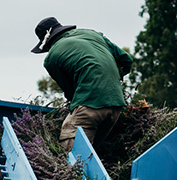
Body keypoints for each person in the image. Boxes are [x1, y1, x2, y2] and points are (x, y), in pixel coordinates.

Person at [31, 17, 132, 153]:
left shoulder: (51, 58)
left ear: (47, 42)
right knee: (90, 153)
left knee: (73, 152)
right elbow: (126, 60)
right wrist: (111, 82)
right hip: (116, 106)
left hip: (90, 106)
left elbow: (70, 92)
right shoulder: (93, 34)